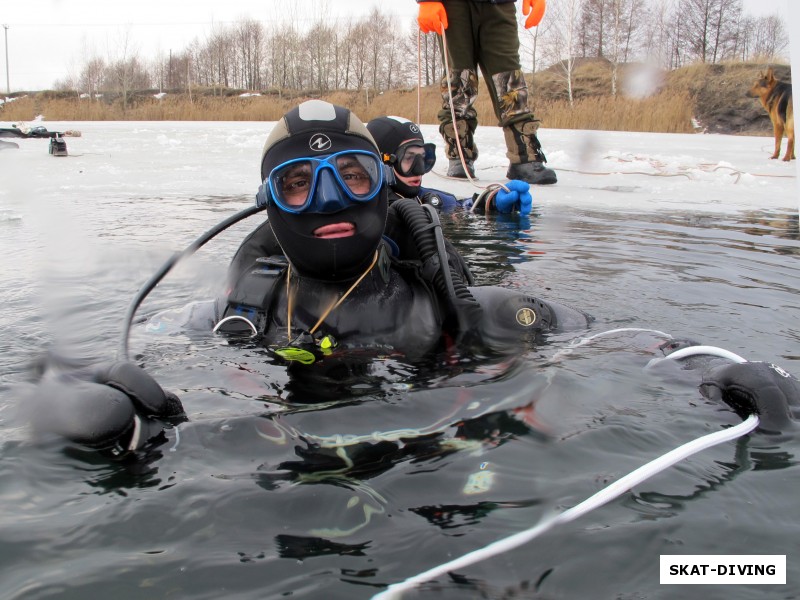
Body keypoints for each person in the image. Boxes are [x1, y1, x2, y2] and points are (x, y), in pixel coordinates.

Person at [24, 100, 800, 457]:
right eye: (299, 184)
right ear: (266, 203)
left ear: (386, 187)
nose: (327, 199)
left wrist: (718, 368)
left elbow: (620, 337)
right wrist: (88, 401)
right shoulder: (229, 320)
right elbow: (96, 360)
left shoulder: (472, 309)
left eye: (351, 174)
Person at [416, 0, 558, 186]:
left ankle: (524, 157)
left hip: (499, 5)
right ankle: (459, 156)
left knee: (510, 79)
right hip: (453, 5)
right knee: (459, 79)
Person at [365, 114, 533, 215]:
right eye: (408, 158)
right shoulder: (363, 210)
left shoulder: (425, 199)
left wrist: (491, 201)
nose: (419, 170)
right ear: (381, 162)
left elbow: (461, 206)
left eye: (423, 158)